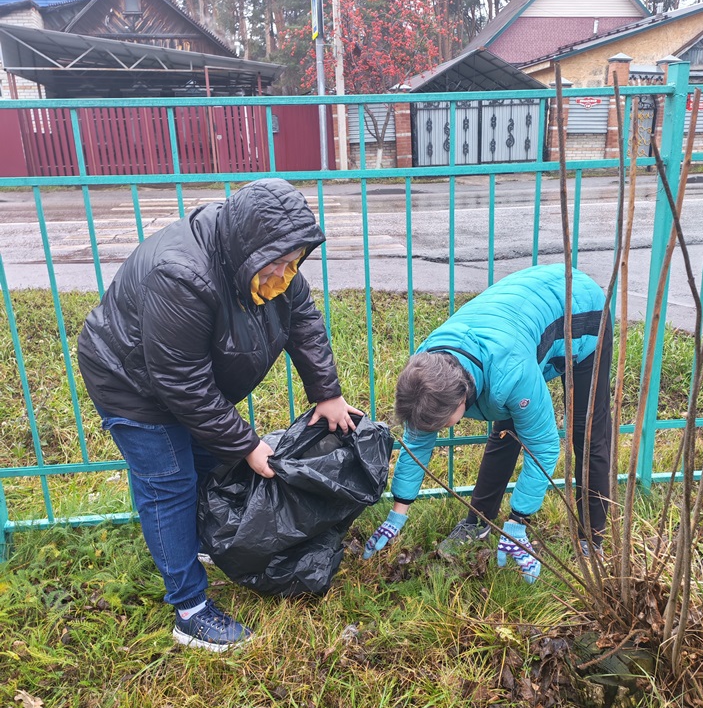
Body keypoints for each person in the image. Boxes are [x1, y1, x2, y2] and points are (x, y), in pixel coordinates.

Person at [78, 178, 361, 651]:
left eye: (294, 263)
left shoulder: (268, 257)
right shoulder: (182, 275)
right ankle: (189, 609)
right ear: (249, 247)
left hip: (187, 377)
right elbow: (180, 381)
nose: (284, 275)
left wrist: (326, 393)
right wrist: (246, 444)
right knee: (168, 483)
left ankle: (199, 541)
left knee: (209, 464)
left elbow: (303, 321)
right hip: (130, 380)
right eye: (277, 264)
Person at [363, 264, 612, 581]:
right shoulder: (425, 369)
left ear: (462, 399)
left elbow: (544, 446)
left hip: (580, 311)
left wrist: (518, 523)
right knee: (506, 429)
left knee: (587, 433)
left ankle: (591, 541)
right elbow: (417, 440)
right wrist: (397, 514)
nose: (437, 431)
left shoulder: (510, 371)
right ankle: (478, 523)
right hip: (517, 322)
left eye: (442, 425)